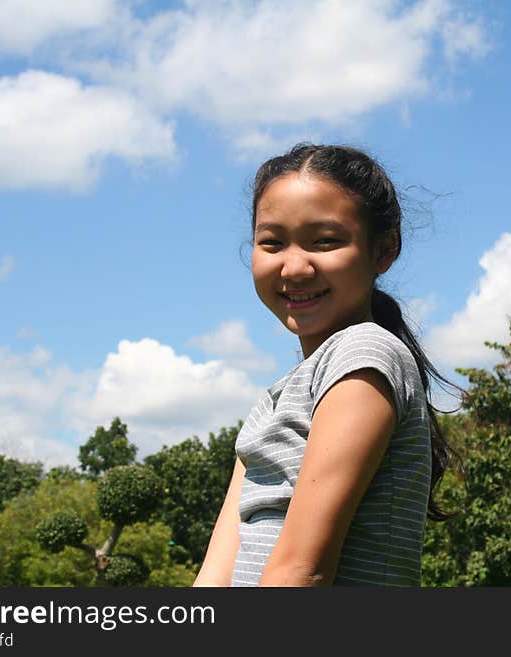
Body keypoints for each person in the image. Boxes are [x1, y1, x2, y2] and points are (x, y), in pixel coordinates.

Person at [193, 143, 456, 587]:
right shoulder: (273, 401)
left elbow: (301, 571)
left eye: (326, 241)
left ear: (384, 250)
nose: (295, 267)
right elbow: (213, 579)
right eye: (272, 242)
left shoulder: (366, 353)